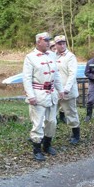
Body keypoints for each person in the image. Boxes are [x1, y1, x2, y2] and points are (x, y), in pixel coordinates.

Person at [22, 32, 64, 161]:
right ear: (38, 41)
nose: (48, 43)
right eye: (45, 40)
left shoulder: (52, 55)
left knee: (52, 121)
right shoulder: (30, 57)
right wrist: (30, 95)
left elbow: (56, 75)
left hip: (51, 94)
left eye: (48, 40)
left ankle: (47, 145)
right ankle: (36, 149)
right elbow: (27, 78)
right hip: (38, 94)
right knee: (38, 122)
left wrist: (60, 89)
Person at [54, 35, 81, 145]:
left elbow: (72, 74)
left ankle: (76, 135)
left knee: (71, 113)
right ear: (55, 45)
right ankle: (43, 135)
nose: (62, 45)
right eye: (59, 43)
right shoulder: (53, 56)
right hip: (55, 91)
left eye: (63, 43)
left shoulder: (70, 57)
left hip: (67, 91)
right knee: (49, 114)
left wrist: (66, 89)